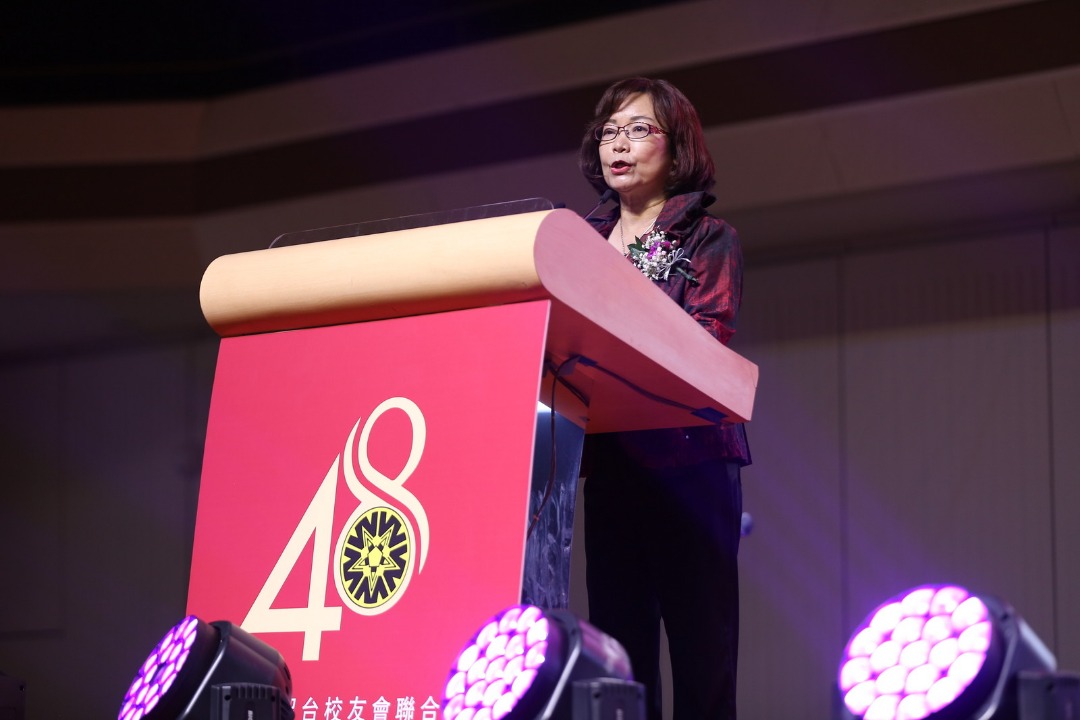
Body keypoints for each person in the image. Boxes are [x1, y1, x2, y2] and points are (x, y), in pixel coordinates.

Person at [577, 77, 751, 720]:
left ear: (676, 149)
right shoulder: (575, 245)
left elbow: (706, 340)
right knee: (620, 651)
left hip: (693, 465)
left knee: (703, 650)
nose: (618, 144)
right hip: (613, 462)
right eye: (609, 132)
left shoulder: (708, 237)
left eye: (638, 129)